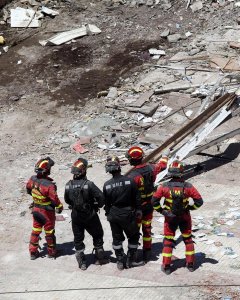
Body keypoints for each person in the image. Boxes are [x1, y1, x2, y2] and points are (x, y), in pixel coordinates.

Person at [152, 160, 204, 274]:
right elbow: (199, 201)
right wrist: (190, 208)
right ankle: (190, 265)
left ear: (169, 173)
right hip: (184, 217)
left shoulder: (164, 187)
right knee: (188, 239)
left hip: (170, 218)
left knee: (168, 241)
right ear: (181, 172)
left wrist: (163, 211)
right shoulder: (188, 186)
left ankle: (166, 266)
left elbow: (154, 201)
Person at [126, 146, 169, 262]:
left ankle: (133, 254)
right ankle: (147, 252)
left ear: (132, 160)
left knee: (135, 231)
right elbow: (163, 165)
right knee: (147, 229)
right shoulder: (152, 168)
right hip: (149, 205)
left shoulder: (132, 176)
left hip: (137, 208)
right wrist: (165, 156)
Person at [64, 158, 105, 270]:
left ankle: (82, 263)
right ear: (84, 171)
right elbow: (101, 197)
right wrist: (98, 205)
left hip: (76, 216)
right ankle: (99, 258)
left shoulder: (68, 185)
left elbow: (67, 200)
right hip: (90, 215)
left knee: (78, 238)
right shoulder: (89, 184)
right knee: (97, 234)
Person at [103, 156, 143, 270]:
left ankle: (120, 261)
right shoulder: (129, 180)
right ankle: (131, 260)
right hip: (128, 214)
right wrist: (139, 210)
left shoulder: (107, 185)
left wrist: (108, 214)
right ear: (119, 167)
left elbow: (106, 203)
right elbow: (137, 197)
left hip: (114, 215)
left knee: (117, 239)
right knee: (134, 237)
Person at [26, 157, 63, 260]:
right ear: (47, 170)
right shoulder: (49, 185)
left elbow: (28, 190)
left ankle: (33, 252)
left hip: (36, 210)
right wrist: (60, 207)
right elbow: (54, 199)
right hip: (47, 213)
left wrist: (37, 199)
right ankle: (52, 252)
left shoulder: (32, 179)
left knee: (35, 230)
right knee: (49, 232)